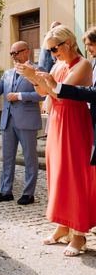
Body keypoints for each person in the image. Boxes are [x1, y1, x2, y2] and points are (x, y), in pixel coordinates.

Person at [17, 25, 95, 256]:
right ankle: (62, 225)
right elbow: (44, 93)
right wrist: (33, 79)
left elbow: (62, 92)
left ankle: (79, 234)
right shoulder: (58, 64)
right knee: (57, 173)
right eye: (49, 50)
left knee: (74, 176)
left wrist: (40, 79)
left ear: (68, 43)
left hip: (75, 122)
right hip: (58, 120)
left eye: (54, 49)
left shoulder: (83, 64)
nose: (52, 54)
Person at [0, 42, 43, 205]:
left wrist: (20, 96)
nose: (14, 56)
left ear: (27, 51)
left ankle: (28, 194)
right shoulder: (7, 74)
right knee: (7, 157)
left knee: (30, 158)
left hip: (27, 120)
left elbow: (43, 95)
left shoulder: (37, 70)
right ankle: (5, 191)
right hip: (8, 121)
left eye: (17, 52)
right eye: (11, 53)